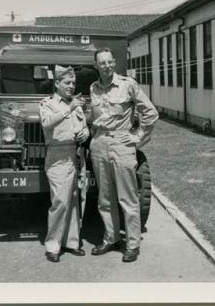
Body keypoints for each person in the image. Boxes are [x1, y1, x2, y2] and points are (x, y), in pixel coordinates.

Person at [89, 48, 159, 263]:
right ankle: (110, 239)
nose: (107, 66)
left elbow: (151, 113)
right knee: (105, 198)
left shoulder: (128, 84)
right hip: (99, 144)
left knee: (127, 198)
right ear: (96, 66)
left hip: (122, 144)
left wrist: (138, 138)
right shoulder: (93, 88)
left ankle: (132, 244)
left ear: (114, 63)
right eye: (103, 63)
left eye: (110, 62)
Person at [39, 66, 89, 263]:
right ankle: (53, 245)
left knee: (75, 200)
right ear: (57, 83)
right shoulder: (48, 103)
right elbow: (47, 123)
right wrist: (69, 108)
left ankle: (72, 242)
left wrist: (85, 133)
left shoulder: (75, 104)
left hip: (76, 155)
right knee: (60, 202)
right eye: (67, 83)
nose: (71, 86)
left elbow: (83, 126)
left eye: (73, 83)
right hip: (57, 157)